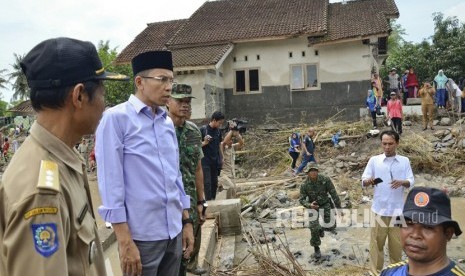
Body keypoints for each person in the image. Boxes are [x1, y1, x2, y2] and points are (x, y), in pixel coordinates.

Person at [0, 37, 129, 276]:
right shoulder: (41, 193)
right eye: (102, 93)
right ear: (79, 96)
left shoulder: (60, 160)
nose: (105, 104)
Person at [96, 51, 194, 276]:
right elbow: (111, 183)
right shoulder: (116, 119)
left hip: (173, 232)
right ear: (140, 82)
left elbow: (175, 176)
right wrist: (124, 241)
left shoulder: (166, 123)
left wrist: (186, 221)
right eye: (162, 79)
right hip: (141, 237)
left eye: (171, 80)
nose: (169, 87)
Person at [166, 83, 207, 276]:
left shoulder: (193, 131)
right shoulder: (160, 129)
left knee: (193, 239)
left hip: (189, 198)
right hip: (170, 200)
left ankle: (191, 267)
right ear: (167, 101)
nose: (185, 105)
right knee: (174, 249)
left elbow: (198, 168)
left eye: (188, 101)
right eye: (180, 101)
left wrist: (201, 201)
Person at [361, 130, 414, 275]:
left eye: (390, 143)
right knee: (376, 245)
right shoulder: (374, 160)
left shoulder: (404, 161)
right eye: (384, 143)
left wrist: (404, 182)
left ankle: (395, 273)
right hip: (379, 210)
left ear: (397, 143)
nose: (387, 147)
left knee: (396, 246)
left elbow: (411, 181)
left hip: (398, 212)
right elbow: (363, 180)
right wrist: (368, 181)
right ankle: (376, 273)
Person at [380, 187, 464, 275]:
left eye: (427, 227)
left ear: (448, 234)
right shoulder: (389, 272)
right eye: (409, 224)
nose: (415, 235)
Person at [299, 162, 342, 260]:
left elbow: (333, 193)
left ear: (317, 171)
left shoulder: (325, 179)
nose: (313, 173)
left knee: (331, 226)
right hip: (313, 207)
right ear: (308, 173)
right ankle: (316, 248)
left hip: (326, 204)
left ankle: (321, 229)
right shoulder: (304, 185)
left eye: (315, 170)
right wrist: (309, 205)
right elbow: (301, 200)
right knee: (313, 228)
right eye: (311, 171)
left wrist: (339, 208)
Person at [200, 111, 225, 200]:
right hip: (205, 160)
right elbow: (197, 145)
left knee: (214, 182)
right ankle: (208, 202)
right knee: (207, 183)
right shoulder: (203, 130)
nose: (220, 125)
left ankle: (213, 200)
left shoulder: (218, 131)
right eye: (219, 123)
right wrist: (205, 142)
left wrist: (222, 157)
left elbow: (219, 145)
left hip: (215, 160)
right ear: (214, 120)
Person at [219, 120, 245, 197]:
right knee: (231, 187)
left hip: (232, 174)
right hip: (224, 175)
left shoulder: (232, 147)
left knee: (234, 192)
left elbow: (241, 143)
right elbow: (224, 142)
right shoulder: (222, 147)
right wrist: (231, 130)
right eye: (230, 140)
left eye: (232, 140)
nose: (231, 141)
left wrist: (237, 134)